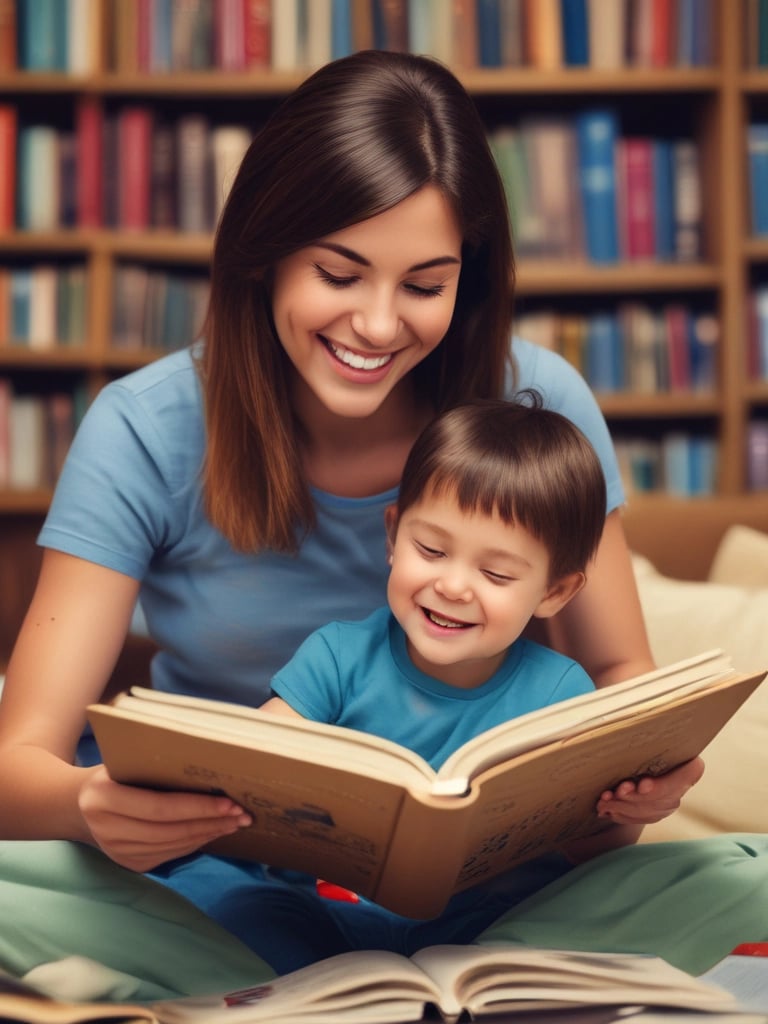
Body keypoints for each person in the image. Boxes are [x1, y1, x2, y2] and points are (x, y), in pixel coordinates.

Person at [0, 48, 748, 985]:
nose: (379, 325)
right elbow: (17, 761)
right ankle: (360, 979)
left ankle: (429, 981)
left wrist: (629, 796)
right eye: (340, 274)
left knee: (738, 870)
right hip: (232, 881)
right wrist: (90, 807)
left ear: (465, 278)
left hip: (503, 885)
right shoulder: (145, 429)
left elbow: (622, 679)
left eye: (424, 285)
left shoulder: (537, 406)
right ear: (267, 254)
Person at [241, 396, 647, 963]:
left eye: (496, 573)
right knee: (237, 904)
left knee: (714, 873)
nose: (453, 586)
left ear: (554, 592)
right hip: (331, 917)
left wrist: (621, 812)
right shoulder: (337, 656)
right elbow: (253, 760)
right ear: (392, 536)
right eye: (430, 550)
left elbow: (592, 849)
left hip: (495, 927)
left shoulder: (561, 694)